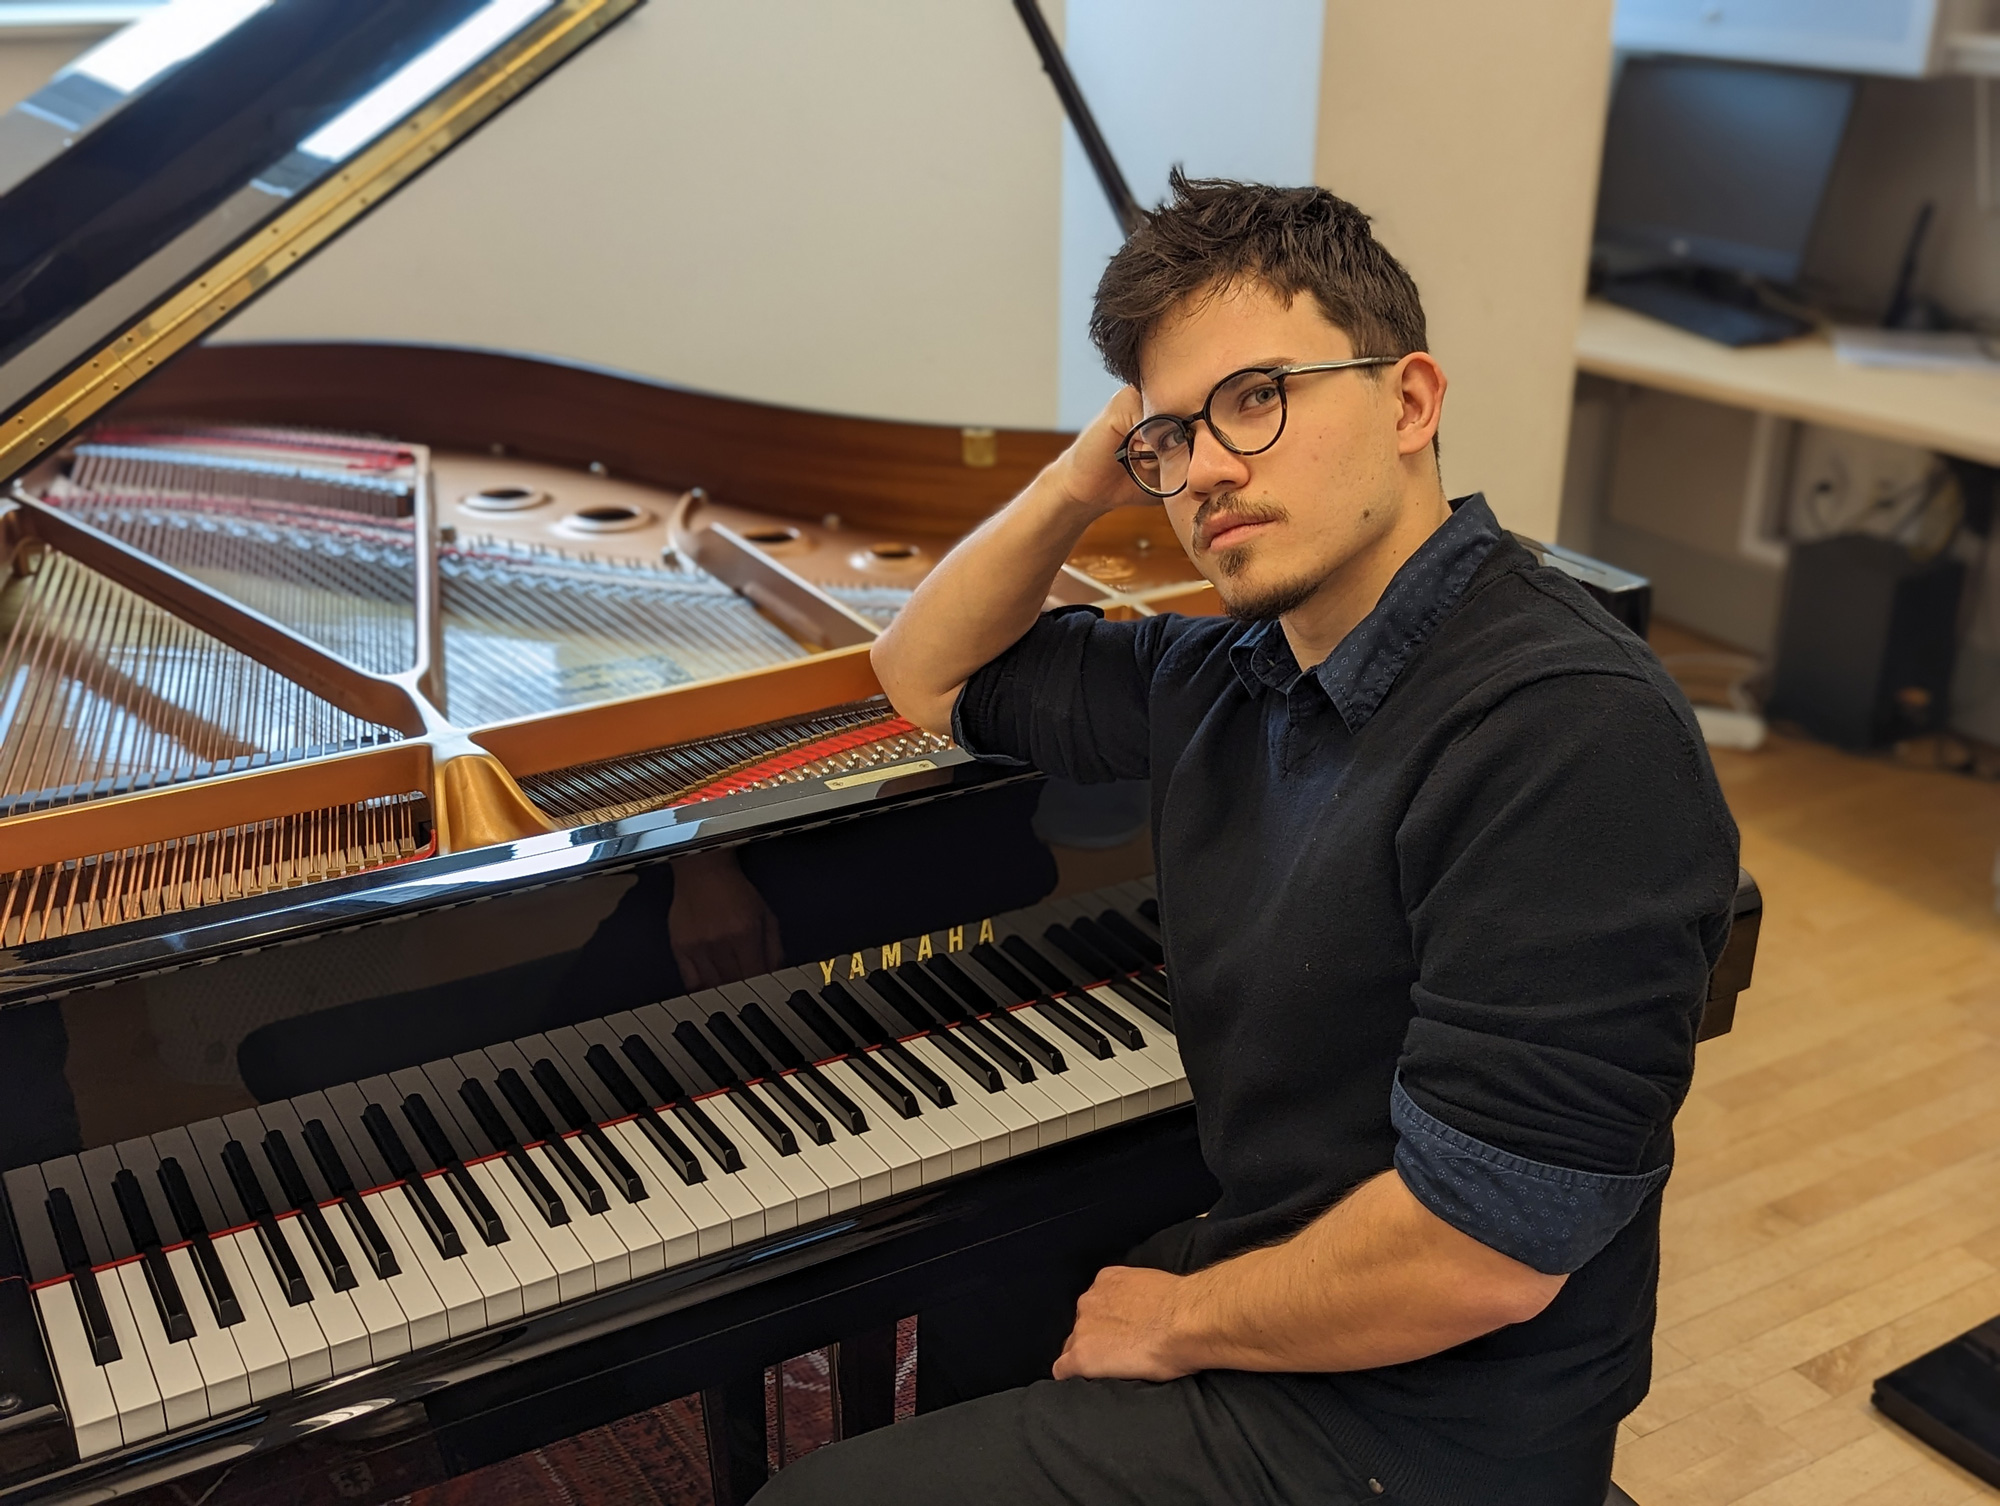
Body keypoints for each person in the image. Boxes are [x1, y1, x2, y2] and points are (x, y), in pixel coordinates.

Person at [754, 173, 1739, 1506]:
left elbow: (1485, 1250)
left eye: (1257, 398)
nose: (1206, 466)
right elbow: (919, 670)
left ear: (1409, 402)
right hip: (1293, 1270)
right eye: (1169, 439)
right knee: (986, 1303)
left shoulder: (1565, 731)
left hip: (1434, 1427)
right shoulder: (1232, 672)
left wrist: (1178, 1319)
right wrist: (1078, 475)